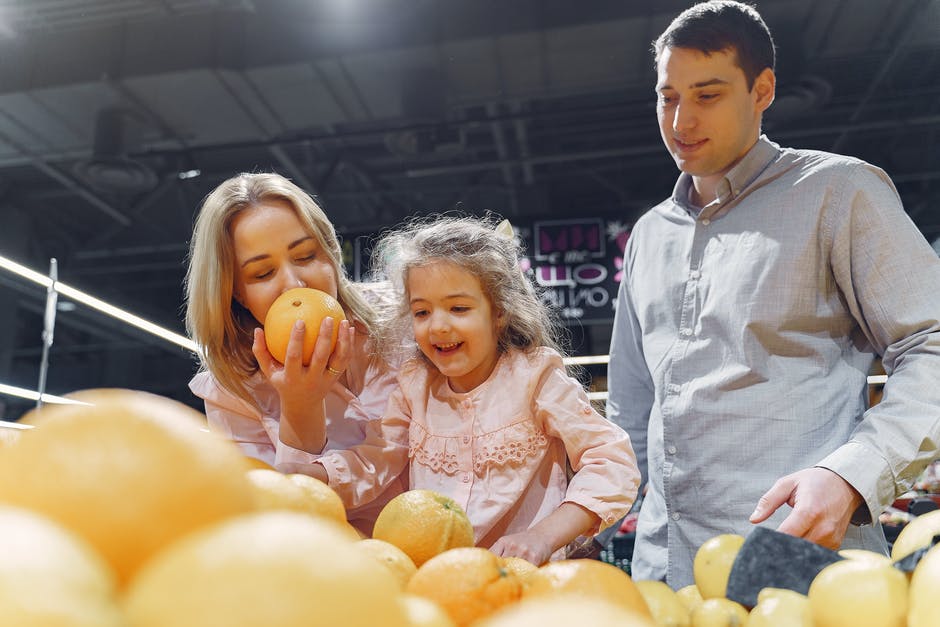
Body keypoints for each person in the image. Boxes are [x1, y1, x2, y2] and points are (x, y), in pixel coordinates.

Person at [606, 0, 940, 588]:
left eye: (707, 94)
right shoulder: (650, 235)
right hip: (661, 574)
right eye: (667, 96)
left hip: (803, 564)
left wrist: (852, 475)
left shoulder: (839, 193)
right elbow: (632, 409)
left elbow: (932, 344)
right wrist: (593, 522)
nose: (681, 121)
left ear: (762, 90)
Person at [308, 216, 640, 565]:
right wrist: (315, 475)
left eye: (459, 308)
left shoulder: (536, 377)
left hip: (528, 582)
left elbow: (612, 460)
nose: (438, 325)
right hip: (441, 581)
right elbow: (375, 460)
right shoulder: (413, 386)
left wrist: (544, 536)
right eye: (422, 312)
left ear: (499, 312)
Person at [184, 172, 405, 534]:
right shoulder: (231, 391)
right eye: (262, 273)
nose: (294, 283)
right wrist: (300, 407)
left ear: (331, 253)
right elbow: (276, 517)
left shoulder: (404, 317)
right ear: (235, 292)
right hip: (337, 565)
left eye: (306, 255)